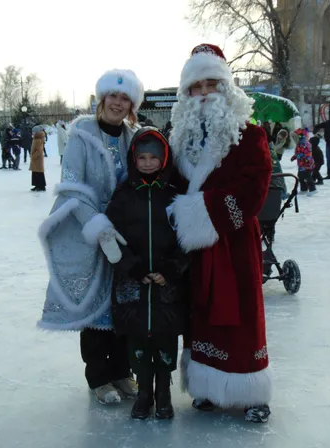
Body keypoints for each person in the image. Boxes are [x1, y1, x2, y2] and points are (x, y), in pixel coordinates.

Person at [168, 44, 273, 423]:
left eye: (213, 83)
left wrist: (201, 216)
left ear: (227, 88)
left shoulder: (249, 134)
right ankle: (208, 388)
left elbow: (255, 188)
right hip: (195, 251)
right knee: (201, 316)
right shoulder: (179, 140)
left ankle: (251, 391)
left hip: (233, 242)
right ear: (187, 93)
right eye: (198, 86)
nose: (206, 92)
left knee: (241, 316)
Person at [37, 69, 144, 405]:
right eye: (113, 95)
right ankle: (99, 377)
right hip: (88, 231)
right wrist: (97, 225)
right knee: (95, 311)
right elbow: (71, 186)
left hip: (123, 234)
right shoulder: (82, 133)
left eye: (124, 98)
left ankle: (123, 372)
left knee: (124, 306)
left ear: (131, 105)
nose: (117, 102)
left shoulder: (132, 137)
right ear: (102, 98)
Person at [105, 127, 187, 420]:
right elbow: (109, 238)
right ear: (134, 159)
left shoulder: (175, 196)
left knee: (164, 340)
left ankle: (163, 393)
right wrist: (133, 267)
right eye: (143, 157)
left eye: (154, 157)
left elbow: (187, 241)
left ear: (164, 159)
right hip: (134, 286)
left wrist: (171, 270)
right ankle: (144, 393)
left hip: (166, 288)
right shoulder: (124, 196)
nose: (149, 163)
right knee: (138, 341)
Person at [290, 129, 317, 196]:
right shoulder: (300, 144)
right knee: (300, 176)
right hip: (301, 164)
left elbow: (307, 154)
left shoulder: (305, 144)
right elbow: (298, 152)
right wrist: (294, 157)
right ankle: (303, 189)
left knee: (307, 176)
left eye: (295, 137)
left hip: (306, 163)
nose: (294, 139)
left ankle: (313, 189)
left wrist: (303, 159)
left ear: (301, 136)